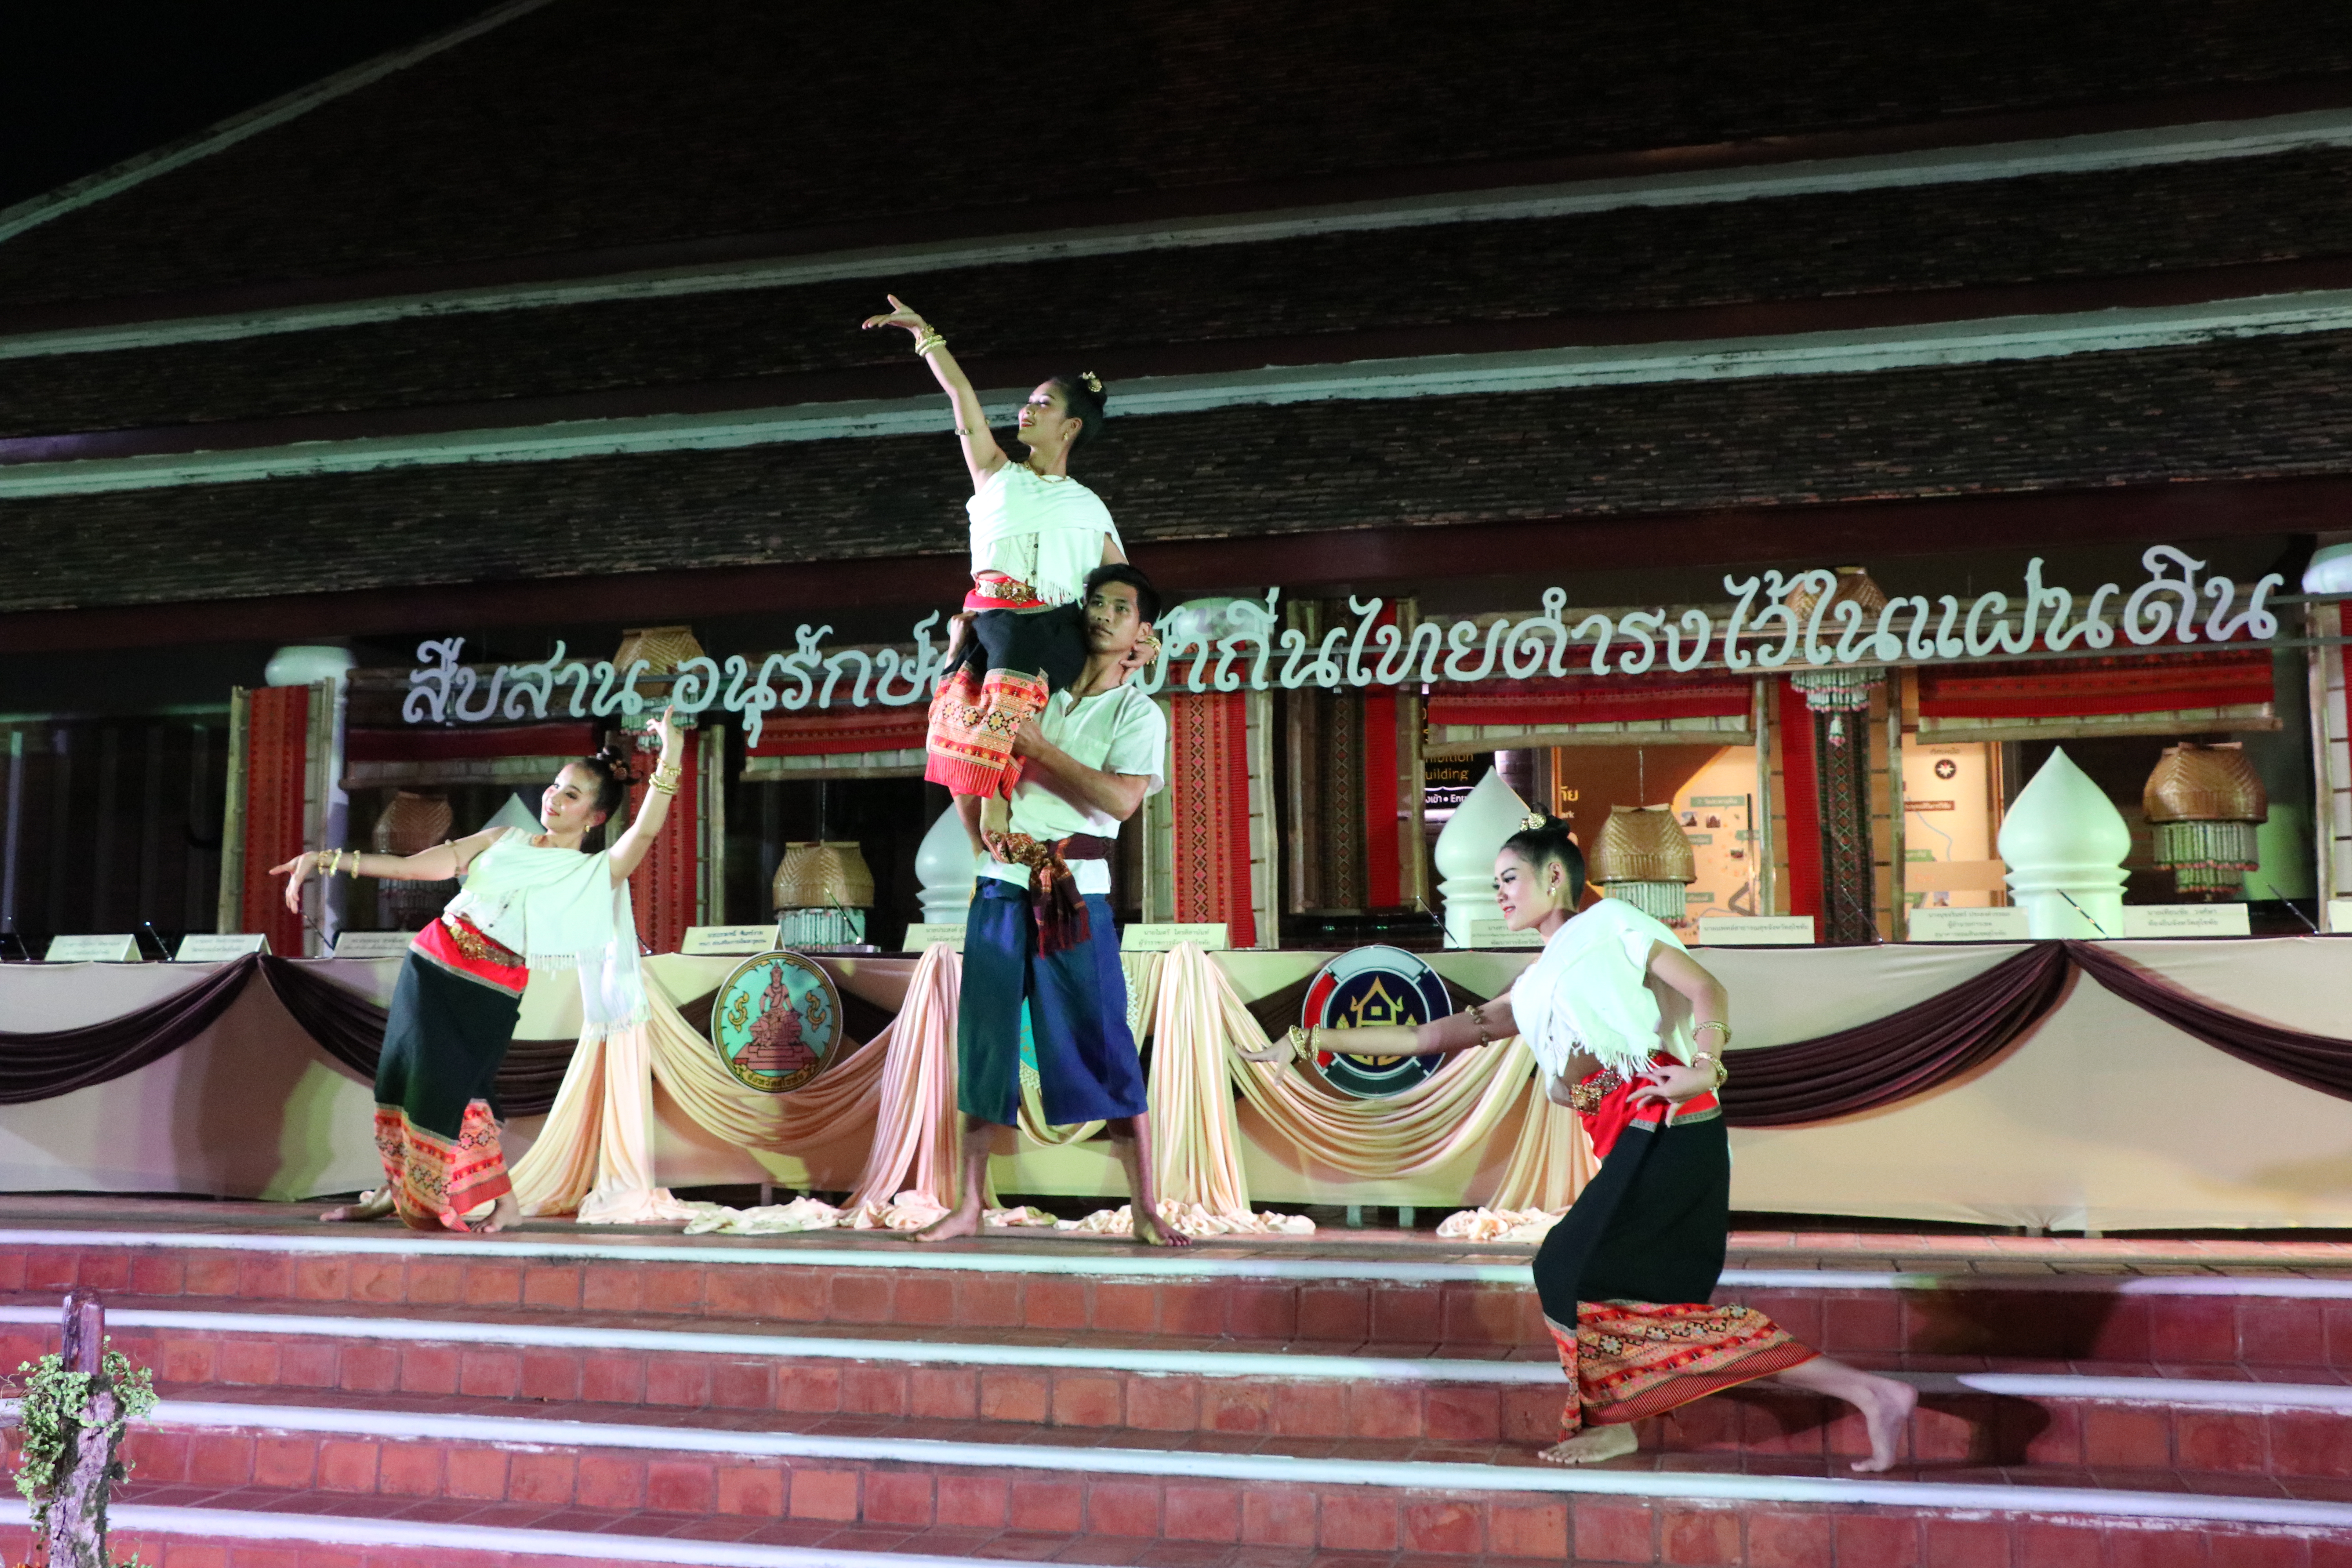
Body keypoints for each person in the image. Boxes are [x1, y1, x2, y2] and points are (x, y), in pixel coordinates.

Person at [1277, 813, 1918, 1470]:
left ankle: (1633, 1421)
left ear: (1555, 875)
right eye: (1496, 884)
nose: (1500, 894)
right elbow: (1427, 1037)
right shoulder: (1535, 985)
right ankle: (1863, 1392)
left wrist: (1706, 1066)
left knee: (1565, 1269)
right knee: (1618, 1301)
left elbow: (1706, 988)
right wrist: (1309, 1040)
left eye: (1509, 879)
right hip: (1627, 1141)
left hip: (1668, 1123)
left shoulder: (1614, 925)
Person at [272, 707, 686, 1234]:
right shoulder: (503, 838)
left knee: (460, 1088)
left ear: (596, 818)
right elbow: (412, 867)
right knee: (404, 1079)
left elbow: (646, 833)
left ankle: (488, 1200)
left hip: (492, 986)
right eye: (555, 787)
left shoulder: (592, 871)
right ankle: (395, 1193)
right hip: (432, 965)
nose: (553, 799)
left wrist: (671, 755)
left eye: (571, 796)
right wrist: (326, 860)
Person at [911, 562, 1188, 1247]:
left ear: (1142, 633)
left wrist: (1040, 749)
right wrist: (982, 824)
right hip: (1001, 886)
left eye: (1120, 608)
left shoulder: (1137, 713)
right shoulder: (1033, 690)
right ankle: (968, 1205)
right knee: (986, 1045)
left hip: (1075, 894)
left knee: (1105, 1045)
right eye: (1096, 602)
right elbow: (966, 754)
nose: (1103, 615)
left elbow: (1122, 800)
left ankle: (1146, 1208)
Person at [859, 293, 1143, 854]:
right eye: (1028, 402)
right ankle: (983, 853)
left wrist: (1145, 634)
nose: (1026, 411)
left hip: (1051, 630)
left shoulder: (1089, 507)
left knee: (1010, 667)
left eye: (1042, 404)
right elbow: (961, 397)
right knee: (953, 735)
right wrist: (925, 337)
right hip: (989, 624)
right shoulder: (995, 474)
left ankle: (1002, 808)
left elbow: (1125, 585)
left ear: (1071, 427)